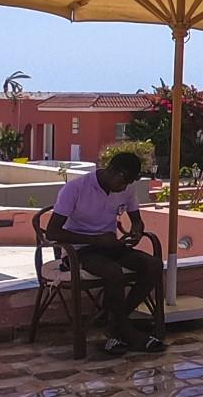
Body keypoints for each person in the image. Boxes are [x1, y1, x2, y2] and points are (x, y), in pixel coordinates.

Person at [44, 152, 165, 355]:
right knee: (112, 271)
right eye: (123, 182)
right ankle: (126, 331)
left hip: (111, 245)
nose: (124, 188)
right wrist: (95, 239)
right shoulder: (75, 189)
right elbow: (52, 232)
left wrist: (136, 230)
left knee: (153, 265)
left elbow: (136, 219)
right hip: (80, 250)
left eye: (129, 183)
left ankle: (116, 323)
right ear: (112, 171)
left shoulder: (126, 189)